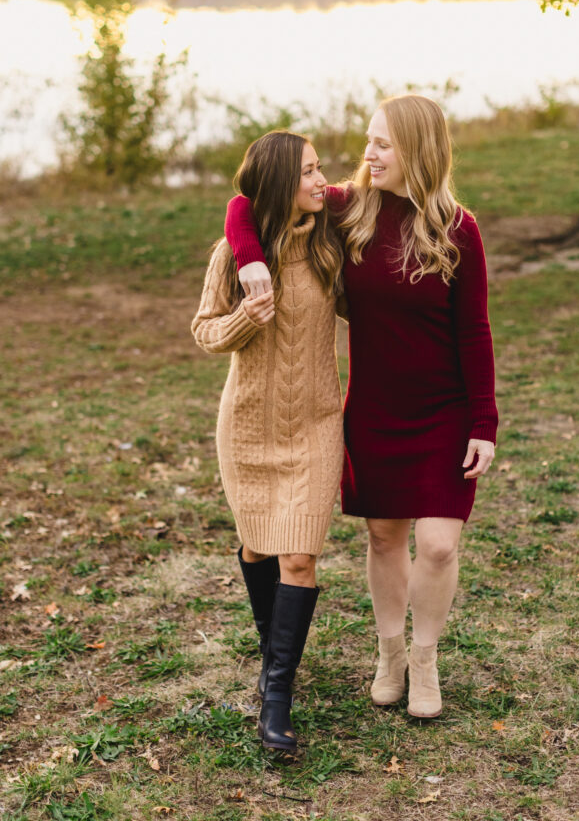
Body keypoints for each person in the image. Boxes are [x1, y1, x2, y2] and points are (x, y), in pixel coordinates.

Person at [224, 96, 497, 719]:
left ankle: (425, 661)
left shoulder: (459, 228)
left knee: (436, 546)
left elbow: (474, 331)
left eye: (382, 146)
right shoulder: (350, 209)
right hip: (374, 406)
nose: (367, 155)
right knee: (383, 537)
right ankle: (391, 654)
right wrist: (251, 259)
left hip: (444, 409)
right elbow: (247, 200)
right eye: (368, 142)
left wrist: (483, 420)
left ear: (417, 153)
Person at [191, 131, 345, 752]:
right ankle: (270, 649)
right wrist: (241, 321)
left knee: (299, 556)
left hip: (315, 422)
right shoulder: (232, 257)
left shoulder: (331, 241)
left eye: (320, 169)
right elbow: (204, 331)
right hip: (249, 424)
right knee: (258, 545)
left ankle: (276, 693)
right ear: (283, 182)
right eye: (308, 172)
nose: (320, 180)